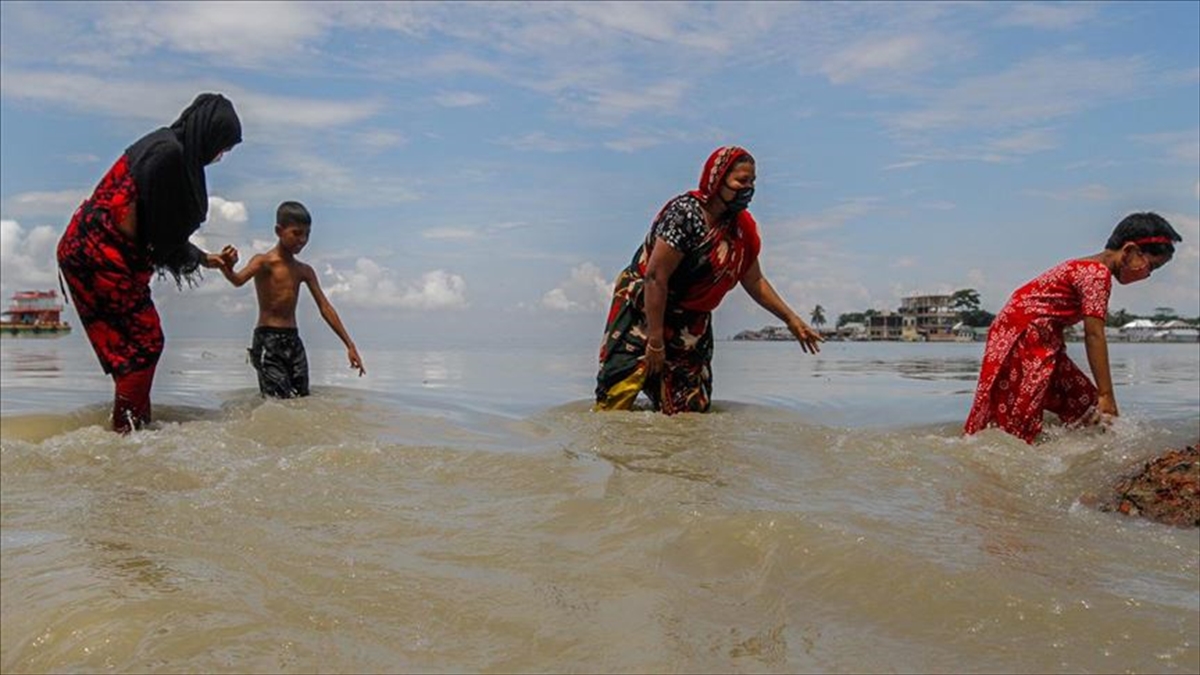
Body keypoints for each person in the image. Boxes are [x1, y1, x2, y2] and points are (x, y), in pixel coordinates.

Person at [56, 92, 242, 433]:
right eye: (222, 147)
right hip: (99, 254)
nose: (220, 156)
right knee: (145, 342)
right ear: (208, 134)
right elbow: (149, 229)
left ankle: (133, 428)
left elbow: (159, 229)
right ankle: (127, 435)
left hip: (97, 253)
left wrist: (204, 258)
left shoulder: (170, 149)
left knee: (134, 352)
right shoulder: (168, 153)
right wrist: (193, 257)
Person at [595, 145, 823, 414]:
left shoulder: (741, 228)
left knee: (690, 412)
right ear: (717, 181)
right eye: (741, 181)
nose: (749, 189)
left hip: (691, 322)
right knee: (616, 399)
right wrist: (655, 342)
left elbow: (754, 280)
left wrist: (791, 319)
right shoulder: (686, 215)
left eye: (752, 182)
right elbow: (656, 277)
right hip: (645, 308)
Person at [964, 212, 1182, 443]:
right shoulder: (1096, 275)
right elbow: (1094, 334)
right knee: (1019, 418)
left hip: (1040, 337)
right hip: (1026, 336)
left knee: (1084, 405)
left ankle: (1081, 450)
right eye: (1151, 266)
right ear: (1129, 251)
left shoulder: (1087, 269)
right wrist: (1106, 395)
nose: (1147, 275)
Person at [219, 201, 365, 398]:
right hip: (268, 340)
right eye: (296, 233)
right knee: (276, 400)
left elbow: (325, 307)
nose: (302, 240)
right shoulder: (263, 262)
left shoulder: (304, 270)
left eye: (307, 234)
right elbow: (237, 280)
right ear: (279, 231)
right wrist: (227, 267)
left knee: (302, 399)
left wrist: (349, 345)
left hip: (293, 340)